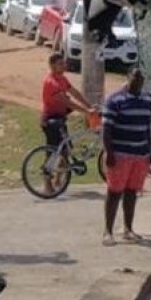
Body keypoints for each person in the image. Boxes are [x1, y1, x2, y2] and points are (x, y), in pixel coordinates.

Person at [101, 67, 151, 246]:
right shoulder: (115, 100)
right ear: (128, 78)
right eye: (134, 77)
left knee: (132, 192)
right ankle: (108, 231)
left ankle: (128, 229)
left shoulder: (148, 100)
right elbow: (106, 129)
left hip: (140, 154)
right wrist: (109, 152)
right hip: (120, 154)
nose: (137, 80)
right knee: (114, 192)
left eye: (140, 77)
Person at [41, 52, 94, 195]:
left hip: (60, 119)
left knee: (66, 150)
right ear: (52, 66)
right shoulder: (51, 82)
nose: (64, 66)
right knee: (52, 151)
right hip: (51, 120)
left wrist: (89, 106)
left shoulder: (62, 79)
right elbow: (67, 101)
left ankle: (58, 180)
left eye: (64, 63)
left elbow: (74, 93)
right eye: (60, 64)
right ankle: (47, 183)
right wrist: (86, 111)